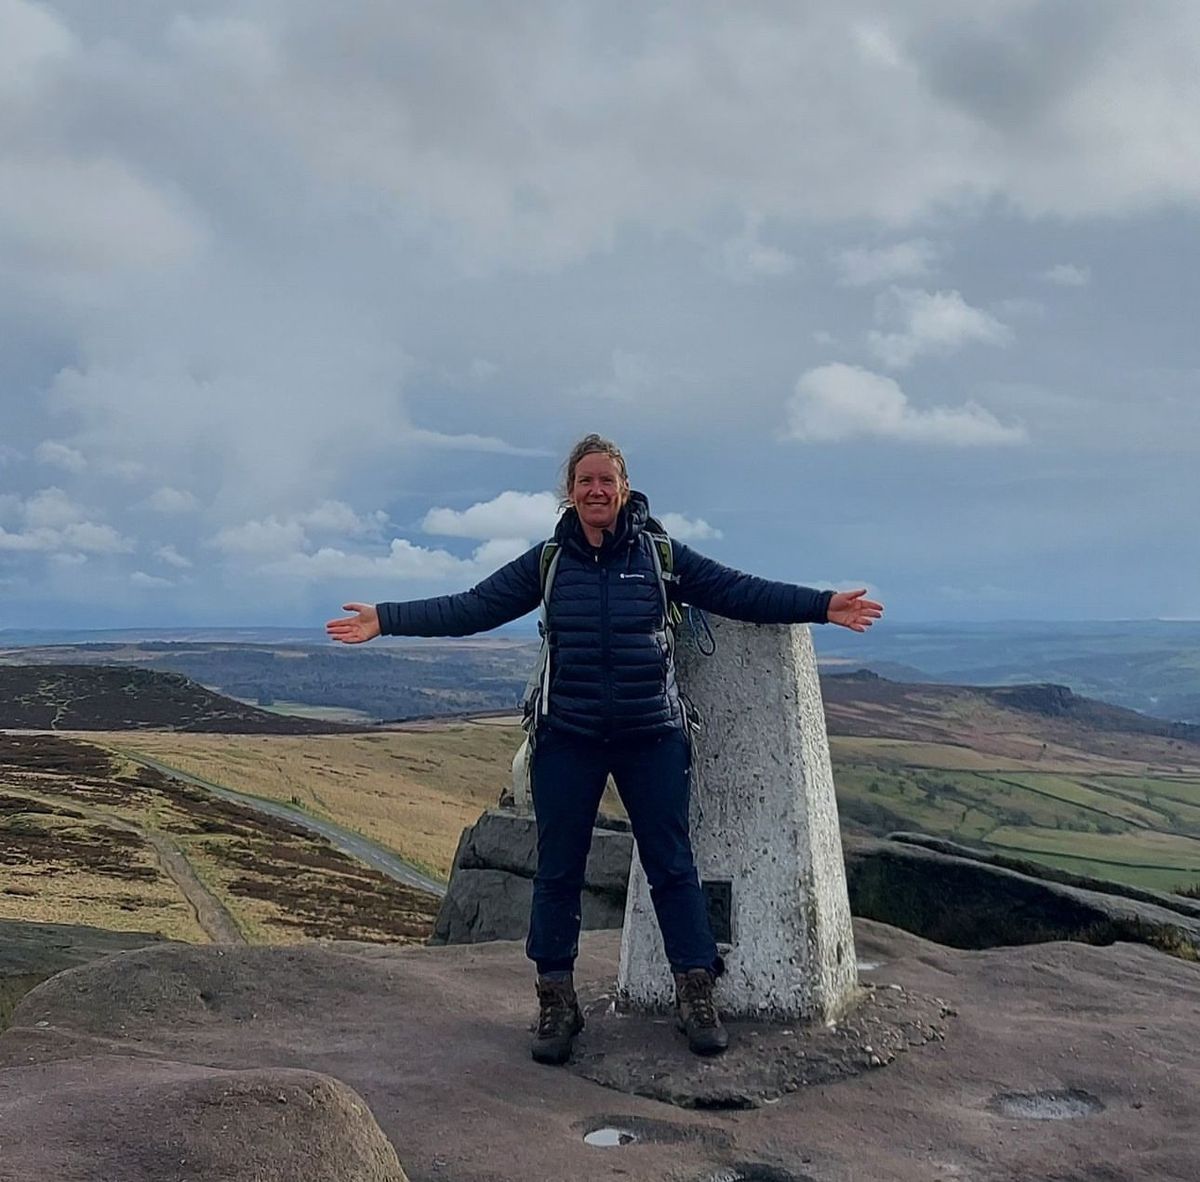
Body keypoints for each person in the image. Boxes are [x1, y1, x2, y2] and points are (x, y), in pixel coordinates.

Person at [326, 433, 882, 1065]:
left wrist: (822, 606)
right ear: (570, 491)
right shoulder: (549, 561)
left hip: (652, 736)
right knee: (558, 871)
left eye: (606, 481)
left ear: (623, 489)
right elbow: (471, 608)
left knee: (673, 864)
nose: (596, 490)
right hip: (568, 738)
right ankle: (557, 1000)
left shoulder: (659, 555)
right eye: (585, 480)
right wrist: (385, 617)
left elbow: (737, 591)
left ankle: (695, 991)